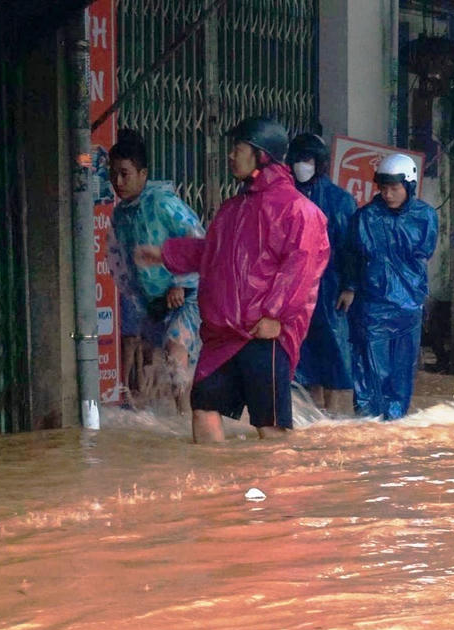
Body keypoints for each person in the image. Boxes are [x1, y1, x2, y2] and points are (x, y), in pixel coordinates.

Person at [138, 116, 330, 443]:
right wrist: (165, 254)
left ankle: (277, 491)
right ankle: (218, 490)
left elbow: (302, 268)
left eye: (238, 149)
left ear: (261, 154)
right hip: (222, 336)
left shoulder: (297, 210)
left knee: (270, 427)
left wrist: (275, 317)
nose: (230, 156)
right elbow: (212, 253)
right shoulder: (232, 210)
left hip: (263, 333)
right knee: (203, 409)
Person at [105, 130, 204, 412]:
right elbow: (118, 258)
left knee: (176, 351)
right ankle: (179, 417)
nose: (118, 182)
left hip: (188, 294)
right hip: (153, 301)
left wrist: (181, 284)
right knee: (155, 364)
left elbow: (197, 241)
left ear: (143, 173)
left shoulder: (163, 203)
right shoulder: (121, 214)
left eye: (125, 174)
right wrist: (136, 297)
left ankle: (186, 418)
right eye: (113, 174)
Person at [339, 153, 438, 420]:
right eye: (384, 188)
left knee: (402, 371)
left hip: (408, 306)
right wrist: (349, 287)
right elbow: (350, 255)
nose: (388, 194)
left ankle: (395, 423)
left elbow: (422, 254)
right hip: (372, 305)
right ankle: (370, 422)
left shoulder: (425, 216)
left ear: (409, 186)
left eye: (394, 188)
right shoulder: (365, 217)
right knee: (371, 369)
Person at [286, 133, 357, 415]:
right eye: (298, 160)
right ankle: (312, 412)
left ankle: (332, 412)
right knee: (301, 351)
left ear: (320, 163)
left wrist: (349, 287)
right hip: (295, 287)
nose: (301, 166)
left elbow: (350, 249)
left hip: (329, 286)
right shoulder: (286, 196)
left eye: (307, 160)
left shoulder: (340, 201)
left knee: (332, 348)